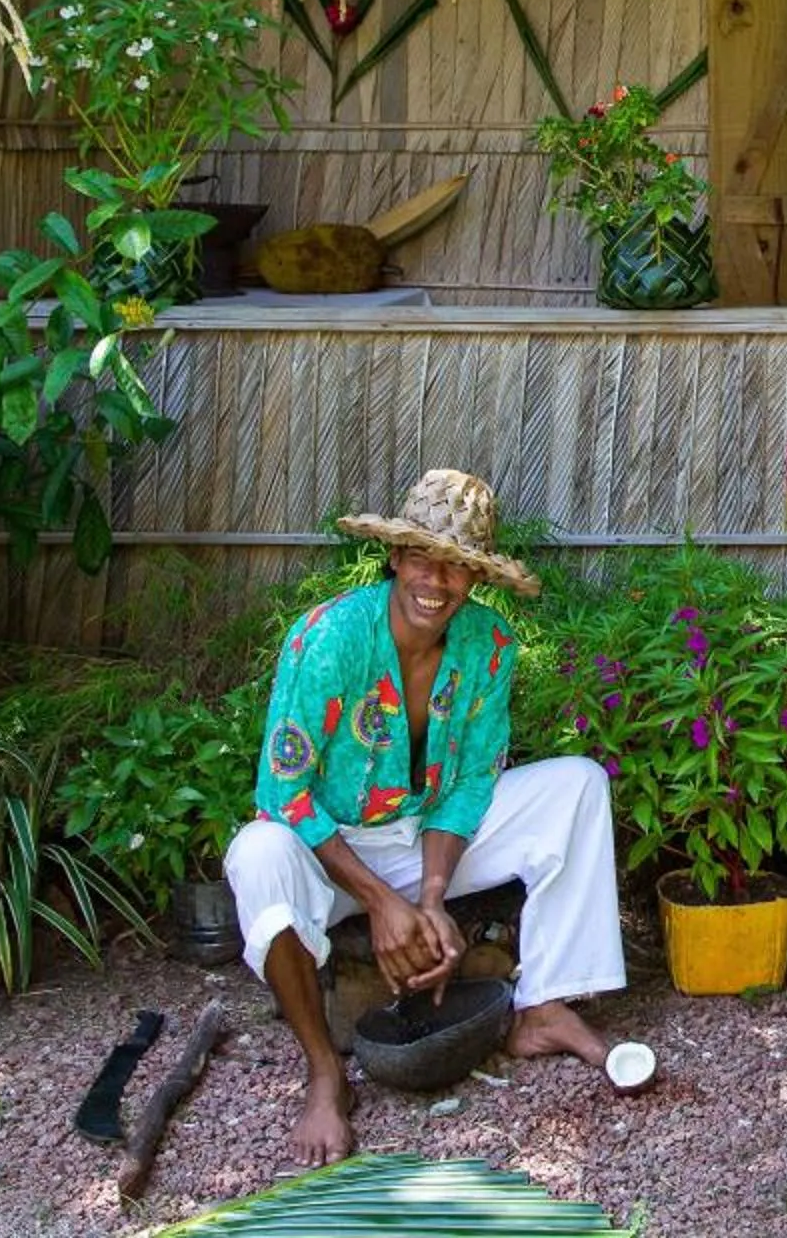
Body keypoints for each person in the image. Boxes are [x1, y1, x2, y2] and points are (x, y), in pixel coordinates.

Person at [223, 468, 655, 1167]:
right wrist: (382, 903)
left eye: (458, 567)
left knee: (576, 785)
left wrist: (427, 897)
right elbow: (284, 792)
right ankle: (326, 1072)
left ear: (476, 579)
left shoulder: (488, 644)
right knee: (257, 852)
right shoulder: (330, 638)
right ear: (394, 556)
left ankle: (542, 1006)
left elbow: (472, 784)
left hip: (425, 840)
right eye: (423, 556)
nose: (437, 580)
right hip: (329, 854)